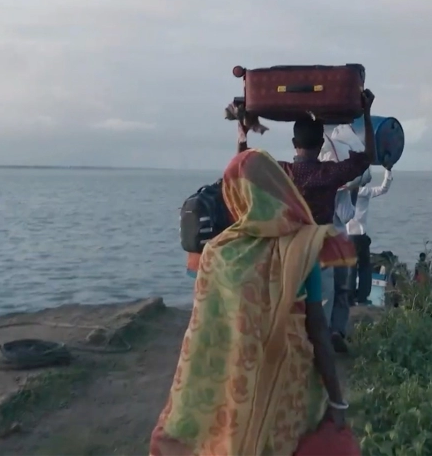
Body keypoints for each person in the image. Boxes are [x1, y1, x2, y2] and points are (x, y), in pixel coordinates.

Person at [151, 149, 350, 456]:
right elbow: (318, 329)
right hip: (290, 381)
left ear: (234, 196)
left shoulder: (217, 253)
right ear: (280, 189)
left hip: (235, 385)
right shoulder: (301, 246)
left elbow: (204, 334)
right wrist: (336, 399)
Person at [237, 90, 377, 353]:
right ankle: (331, 336)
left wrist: (242, 131)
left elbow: (242, 165)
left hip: (289, 246)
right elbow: (368, 156)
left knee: (295, 300)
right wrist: (367, 113)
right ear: (320, 143)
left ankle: (306, 343)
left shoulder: (282, 172)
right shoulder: (329, 173)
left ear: (294, 143)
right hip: (323, 246)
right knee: (333, 294)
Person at [347, 167, 394, 305]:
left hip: (346, 236)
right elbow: (384, 188)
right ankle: (362, 297)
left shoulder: (344, 192)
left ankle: (349, 298)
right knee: (364, 267)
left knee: (350, 268)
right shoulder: (365, 192)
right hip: (360, 235)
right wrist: (388, 171)